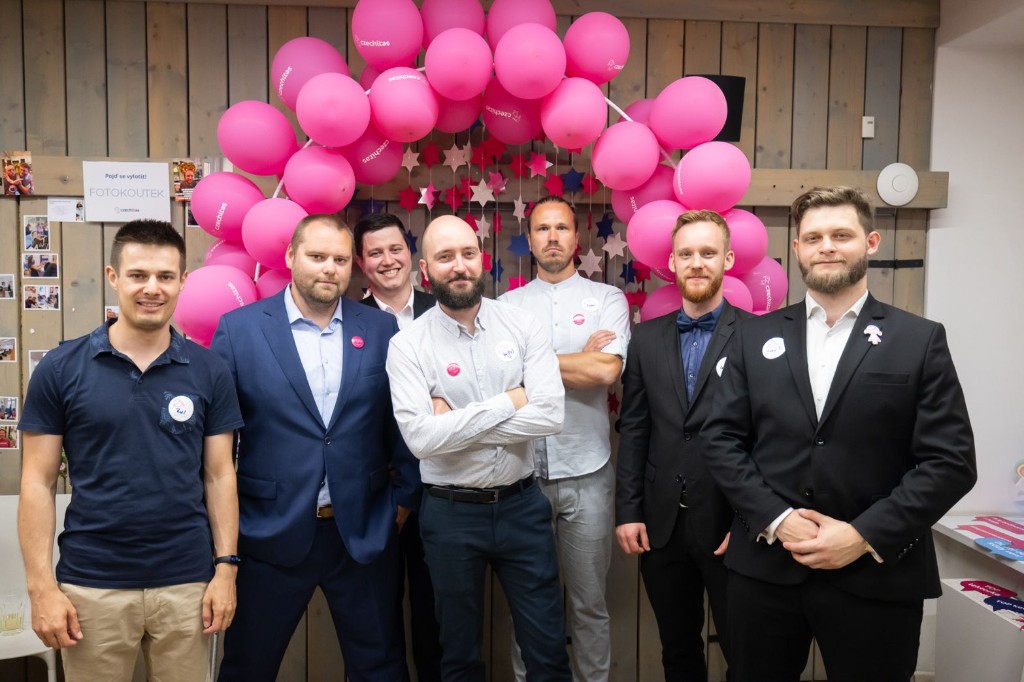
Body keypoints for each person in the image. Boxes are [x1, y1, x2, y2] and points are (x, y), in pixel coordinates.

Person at [700, 186, 977, 682]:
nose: (827, 246)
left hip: (876, 574)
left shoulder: (919, 340)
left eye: (841, 235)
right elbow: (720, 439)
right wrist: (778, 519)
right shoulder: (752, 336)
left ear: (870, 242)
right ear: (798, 249)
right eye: (814, 237)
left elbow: (951, 461)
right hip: (766, 570)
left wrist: (862, 535)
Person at [17, 219, 242, 682]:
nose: (152, 288)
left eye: (165, 276)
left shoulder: (209, 370)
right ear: (113, 276)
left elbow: (220, 475)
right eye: (138, 275)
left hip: (187, 583)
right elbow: (37, 481)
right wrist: (41, 588)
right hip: (92, 584)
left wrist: (226, 571)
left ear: (182, 281)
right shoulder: (60, 368)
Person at [211, 213, 420, 682]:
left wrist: (403, 499)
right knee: (248, 667)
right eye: (317, 256)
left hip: (363, 532)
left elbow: (403, 421)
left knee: (381, 668)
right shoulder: (240, 330)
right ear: (290, 256)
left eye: (340, 260)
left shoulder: (381, 329)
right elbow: (218, 441)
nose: (329, 268)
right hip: (269, 532)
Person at [386, 215, 571, 681]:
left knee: (548, 652)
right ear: (425, 269)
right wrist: (510, 401)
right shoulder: (407, 345)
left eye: (468, 254)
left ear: (481, 257)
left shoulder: (523, 325)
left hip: (522, 508)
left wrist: (453, 423)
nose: (460, 266)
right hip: (450, 515)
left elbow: (551, 416)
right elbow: (420, 440)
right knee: (459, 657)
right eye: (445, 257)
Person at [499, 196, 629, 682]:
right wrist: (577, 359)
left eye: (561, 228)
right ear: (530, 239)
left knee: (589, 605)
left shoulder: (608, 300)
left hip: (588, 473)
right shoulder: (505, 307)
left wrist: (531, 366)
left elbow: (605, 371)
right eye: (542, 228)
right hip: (521, 478)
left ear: (577, 238)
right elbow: (497, 380)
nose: (552, 237)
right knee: (529, 604)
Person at [615, 210, 744, 681]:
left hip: (730, 523)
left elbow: (769, 439)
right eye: (686, 254)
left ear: (727, 259)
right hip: (660, 523)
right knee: (678, 650)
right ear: (671, 262)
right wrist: (628, 510)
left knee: (745, 652)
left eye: (708, 253)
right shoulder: (646, 339)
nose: (696, 263)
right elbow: (634, 429)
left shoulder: (758, 336)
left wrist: (750, 521)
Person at [353, 212, 442, 682]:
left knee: (437, 616)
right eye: (375, 253)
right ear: (360, 264)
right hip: (377, 493)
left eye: (395, 249)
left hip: (444, 486)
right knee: (377, 618)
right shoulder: (349, 320)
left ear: (411, 254)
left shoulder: (444, 310)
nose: (388, 260)